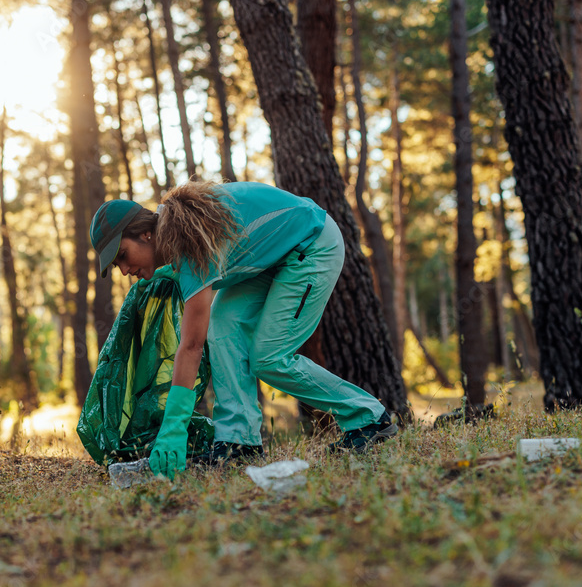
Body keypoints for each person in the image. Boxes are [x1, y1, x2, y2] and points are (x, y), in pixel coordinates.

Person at [90, 180, 396, 479]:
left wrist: (173, 427)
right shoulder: (176, 234)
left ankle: (369, 418)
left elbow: (191, 345)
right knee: (222, 324)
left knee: (269, 357)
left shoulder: (187, 239)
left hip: (311, 244)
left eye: (122, 256)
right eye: (118, 266)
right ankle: (239, 441)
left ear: (145, 234)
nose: (126, 270)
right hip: (272, 257)